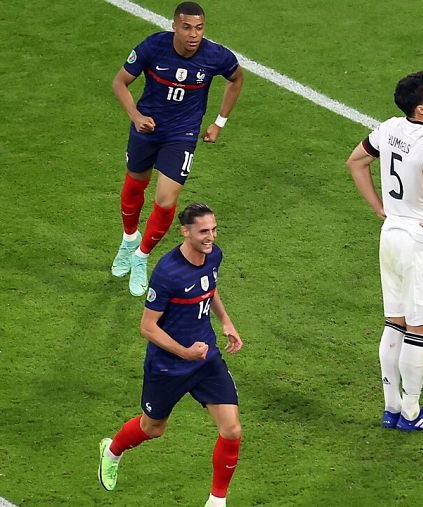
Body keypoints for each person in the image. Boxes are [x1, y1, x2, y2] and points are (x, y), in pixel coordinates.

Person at [98, 203, 244, 507]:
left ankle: (217, 500)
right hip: (168, 365)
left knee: (231, 429)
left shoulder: (213, 255)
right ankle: (112, 451)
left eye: (214, 229)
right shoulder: (167, 273)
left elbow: (210, 287)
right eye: (203, 231)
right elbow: (147, 327)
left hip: (205, 358)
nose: (210, 237)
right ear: (185, 231)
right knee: (153, 428)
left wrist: (226, 321)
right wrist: (184, 353)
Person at [110, 1, 244, 296]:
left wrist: (219, 122)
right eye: (187, 27)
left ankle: (141, 256)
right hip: (146, 129)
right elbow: (119, 83)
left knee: (166, 201)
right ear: (174, 26)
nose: (194, 34)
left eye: (199, 28)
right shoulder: (153, 47)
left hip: (181, 136)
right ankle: (129, 239)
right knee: (135, 185)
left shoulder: (215, 56)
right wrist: (136, 116)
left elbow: (236, 78)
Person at [345, 71, 423, 431]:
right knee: (419, 328)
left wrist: (379, 207)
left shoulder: (390, 127)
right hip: (420, 241)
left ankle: (391, 408)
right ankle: (411, 413)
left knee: (395, 322)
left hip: (391, 235)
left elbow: (355, 162)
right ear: (422, 108)